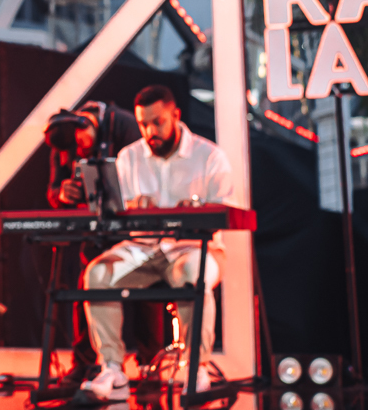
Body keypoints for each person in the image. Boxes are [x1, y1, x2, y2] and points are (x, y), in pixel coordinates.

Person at [77, 85, 232, 403]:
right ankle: (112, 370)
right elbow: (116, 213)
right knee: (97, 275)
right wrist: (133, 208)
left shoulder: (209, 156)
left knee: (193, 273)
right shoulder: (129, 157)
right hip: (142, 249)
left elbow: (226, 213)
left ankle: (196, 369)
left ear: (175, 115)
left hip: (195, 247)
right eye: (143, 124)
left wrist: (196, 212)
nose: (150, 132)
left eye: (157, 122)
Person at [43, 101, 161, 392]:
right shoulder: (64, 142)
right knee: (88, 285)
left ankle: (151, 363)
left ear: (86, 124)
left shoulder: (124, 127)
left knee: (147, 288)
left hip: (133, 228)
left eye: (80, 142)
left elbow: (147, 172)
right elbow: (53, 189)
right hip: (96, 229)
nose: (78, 149)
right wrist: (63, 194)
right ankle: (86, 363)